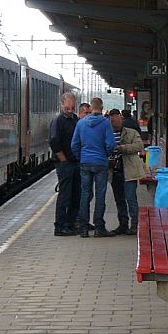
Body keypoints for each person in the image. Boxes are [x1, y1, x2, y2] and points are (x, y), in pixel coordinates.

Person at [71, 97, 117, 238]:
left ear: (90, 108)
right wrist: (106, 155)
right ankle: (99, 228)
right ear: (102, 108)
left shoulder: (81, 123)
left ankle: (83, 228)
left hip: (85, 162)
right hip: (100, 163)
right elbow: (111, 144)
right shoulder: (105, 123)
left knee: (85, 195)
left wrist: (81, 156)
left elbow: (74, 145)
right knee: (100, 195)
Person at [107, 108, 144, 235]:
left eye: (117, 120)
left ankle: (135, 225)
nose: (115, 123)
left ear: (121, 119)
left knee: (130, 198)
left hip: (129, 170)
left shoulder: (131, 133)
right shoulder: (107, 134)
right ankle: (122, 224)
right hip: (114, 171)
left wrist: (122, 148)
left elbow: (139, 146)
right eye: (112, 121)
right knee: (119, 199)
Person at [49, 93, 80, 236]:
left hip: (75, 162)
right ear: (62, 105)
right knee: (65, 195)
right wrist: (63, 159)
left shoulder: (75, 120)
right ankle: (60, 226)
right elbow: (54, 141)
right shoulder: (58, 121)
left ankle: (71, 223)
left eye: (72, 107)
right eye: (67, 107)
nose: (70, 110)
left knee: (76, 194)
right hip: (65, 164)